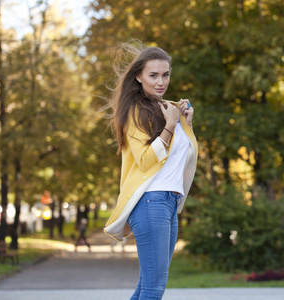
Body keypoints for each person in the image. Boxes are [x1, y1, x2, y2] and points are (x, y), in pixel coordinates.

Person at [103, 43, 198, 300]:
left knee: (147, 287)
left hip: (169, 202)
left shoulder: (168, 108)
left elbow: (181, 159)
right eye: (153, 75)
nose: (161, 81)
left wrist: (184, 126)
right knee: (154, 288)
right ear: (139, 76)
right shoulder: (136, 111)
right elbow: (146, 161)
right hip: (151, 201)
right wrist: (169, 126)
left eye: (165, 75)